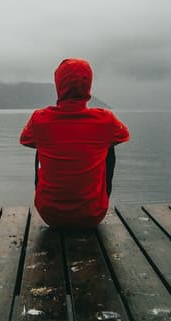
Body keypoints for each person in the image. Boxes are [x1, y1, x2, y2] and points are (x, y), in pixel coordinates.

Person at [20, 58, 130, 229]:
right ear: (89, 84)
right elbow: (123, 134)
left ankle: (46, 197)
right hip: (92, 215)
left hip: (50, 215)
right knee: (109, 146)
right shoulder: (106, 120)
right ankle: (101, 198)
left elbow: (25, 140)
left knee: (39, 144)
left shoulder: (39, 119)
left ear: (58, 84)